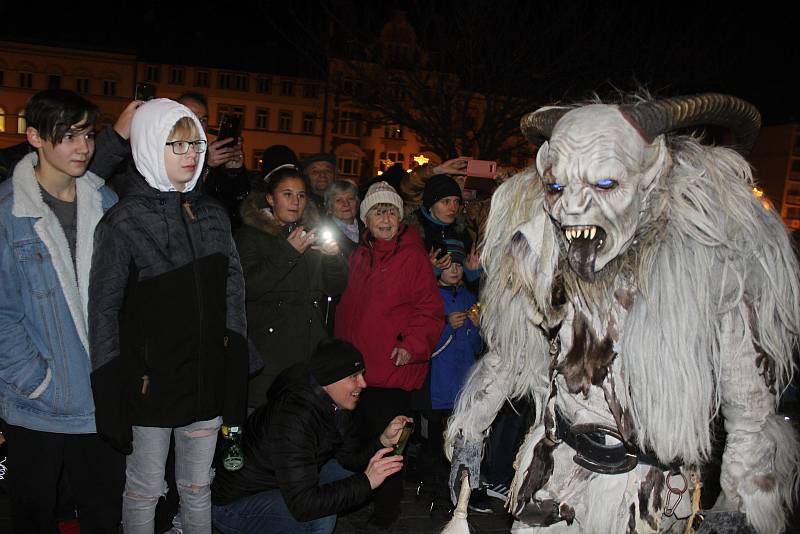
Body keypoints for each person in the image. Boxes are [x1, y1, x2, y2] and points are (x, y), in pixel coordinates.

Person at [88, 98, 248, 533]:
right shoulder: (123, 221)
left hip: (205, 382)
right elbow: (103, 311)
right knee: (144, 489)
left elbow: (233, 297)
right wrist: (110, 393)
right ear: (148, 146)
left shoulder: (214, 214)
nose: (191, 154)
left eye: (195, 142)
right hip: (150, 388)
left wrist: (234, 372)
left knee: (198, 488)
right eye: (175, 145)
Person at [0, 89, 123, 533]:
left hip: (102, 401)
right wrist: (36, 381)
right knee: (33, 517)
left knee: (104, 516)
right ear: (34, 137)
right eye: (67, 136)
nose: (82, 147)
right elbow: (2, 313)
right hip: (38, 405)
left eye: (87, 135)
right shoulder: (8, 213)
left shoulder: (106, 202)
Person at [211, 339, 409, 533]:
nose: (363, 384)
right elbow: (304, 506)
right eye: (354, 377)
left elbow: (349, 460)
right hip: (238, 503)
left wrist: (382, 440)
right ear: (328, 380)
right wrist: (367, 481)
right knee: (320, 518)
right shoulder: (294, 416)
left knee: (345, 475)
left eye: (362, 374)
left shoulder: (336, 403)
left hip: (282, 482)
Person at [335, 181, 444, 528]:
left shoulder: (412, 256)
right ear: (365, 218)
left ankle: (385, 514)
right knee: (357, 444)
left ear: (400, 218)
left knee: (389, 449)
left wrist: (410, 346)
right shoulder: (358, 255)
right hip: (356, 372)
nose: (385, 218)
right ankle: (356, 503)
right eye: (378, 211)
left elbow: (429, 310)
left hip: (390, 372)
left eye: (391, 211)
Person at [236, 164, 348, 409]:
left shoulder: (311, 234)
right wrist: (288, 252)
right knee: (263, 426)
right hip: (270, 354)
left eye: (300, 195)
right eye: (287, 194)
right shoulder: (251, 236)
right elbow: (248, 285)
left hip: (308, 351)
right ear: (270, 198)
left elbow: (335, 286)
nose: (295, 201)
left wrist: (333, 257)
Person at [178, 92, 250, 229]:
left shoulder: (211, 155)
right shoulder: (163, 154)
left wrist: (235, 171)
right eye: (190, 117)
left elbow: (238, 208)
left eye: (203, 120)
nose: (198, 125)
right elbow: (179, 202)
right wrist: (207, 165)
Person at [410, 173, 481, 284]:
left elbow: (470, 289)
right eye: (446, 201)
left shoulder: (461, 230)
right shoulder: (414, 234)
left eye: (456, 201)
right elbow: (406, 283)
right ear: (430, 204)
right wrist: (430, 271)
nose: (453, 208)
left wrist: (472, 273)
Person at [323, 179, 363, 257]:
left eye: (350, 198)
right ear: (329, 207)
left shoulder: (368, 227)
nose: (346, 204)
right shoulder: (323, 234)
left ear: (357, 203)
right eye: (339, 200)